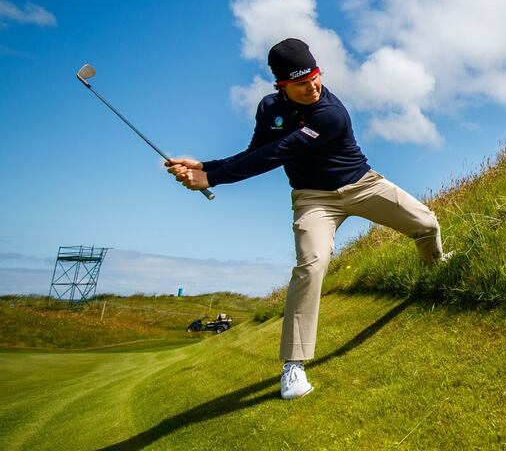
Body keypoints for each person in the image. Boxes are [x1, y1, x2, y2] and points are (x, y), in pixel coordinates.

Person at [167, 37, 446, 400]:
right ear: (281, 86)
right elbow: (258, 152)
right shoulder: (269, 108)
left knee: (426, 224)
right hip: (314, 200)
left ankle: (436, 268)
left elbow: (279, 152)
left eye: (316, 76)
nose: (313, 86)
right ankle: (293, 365)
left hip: (361, 185)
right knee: (311, 266)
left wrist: (212, 176)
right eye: (302, 82)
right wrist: (205, 166)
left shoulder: (330, 112)